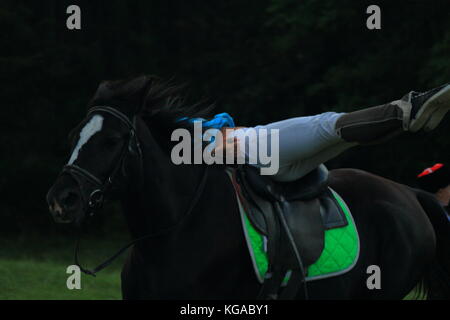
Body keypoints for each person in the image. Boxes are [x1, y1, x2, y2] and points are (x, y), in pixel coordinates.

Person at [213, 84, 450, 182]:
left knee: (346, 136)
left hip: (257, 157)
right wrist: (211, 150)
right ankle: (409, 110)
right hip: (245, 148)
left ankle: (410, 120)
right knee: (327, 125)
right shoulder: (181, 132)